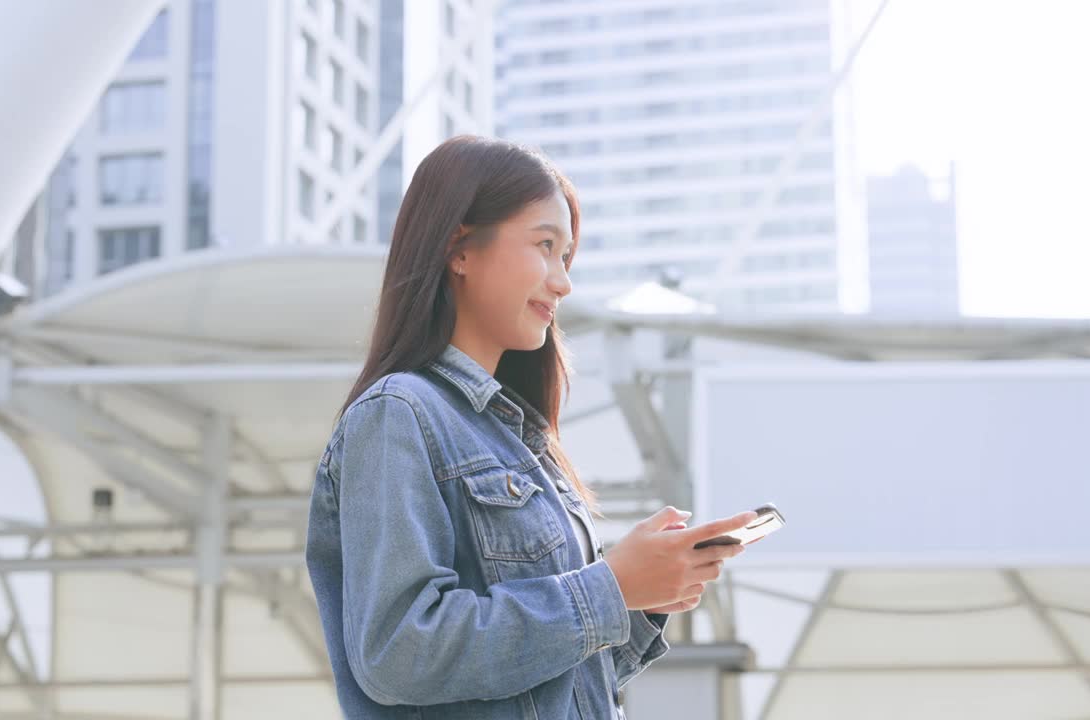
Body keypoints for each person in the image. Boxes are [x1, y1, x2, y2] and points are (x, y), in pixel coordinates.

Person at [305, 135, 755, 719]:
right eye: (545, 246)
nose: (563, 281)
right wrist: (609, 588)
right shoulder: (400, 413)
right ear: (459, 247)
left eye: (566, 258)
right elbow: (400, 652)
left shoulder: (523, 439)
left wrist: (639, 598)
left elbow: (545, 685)